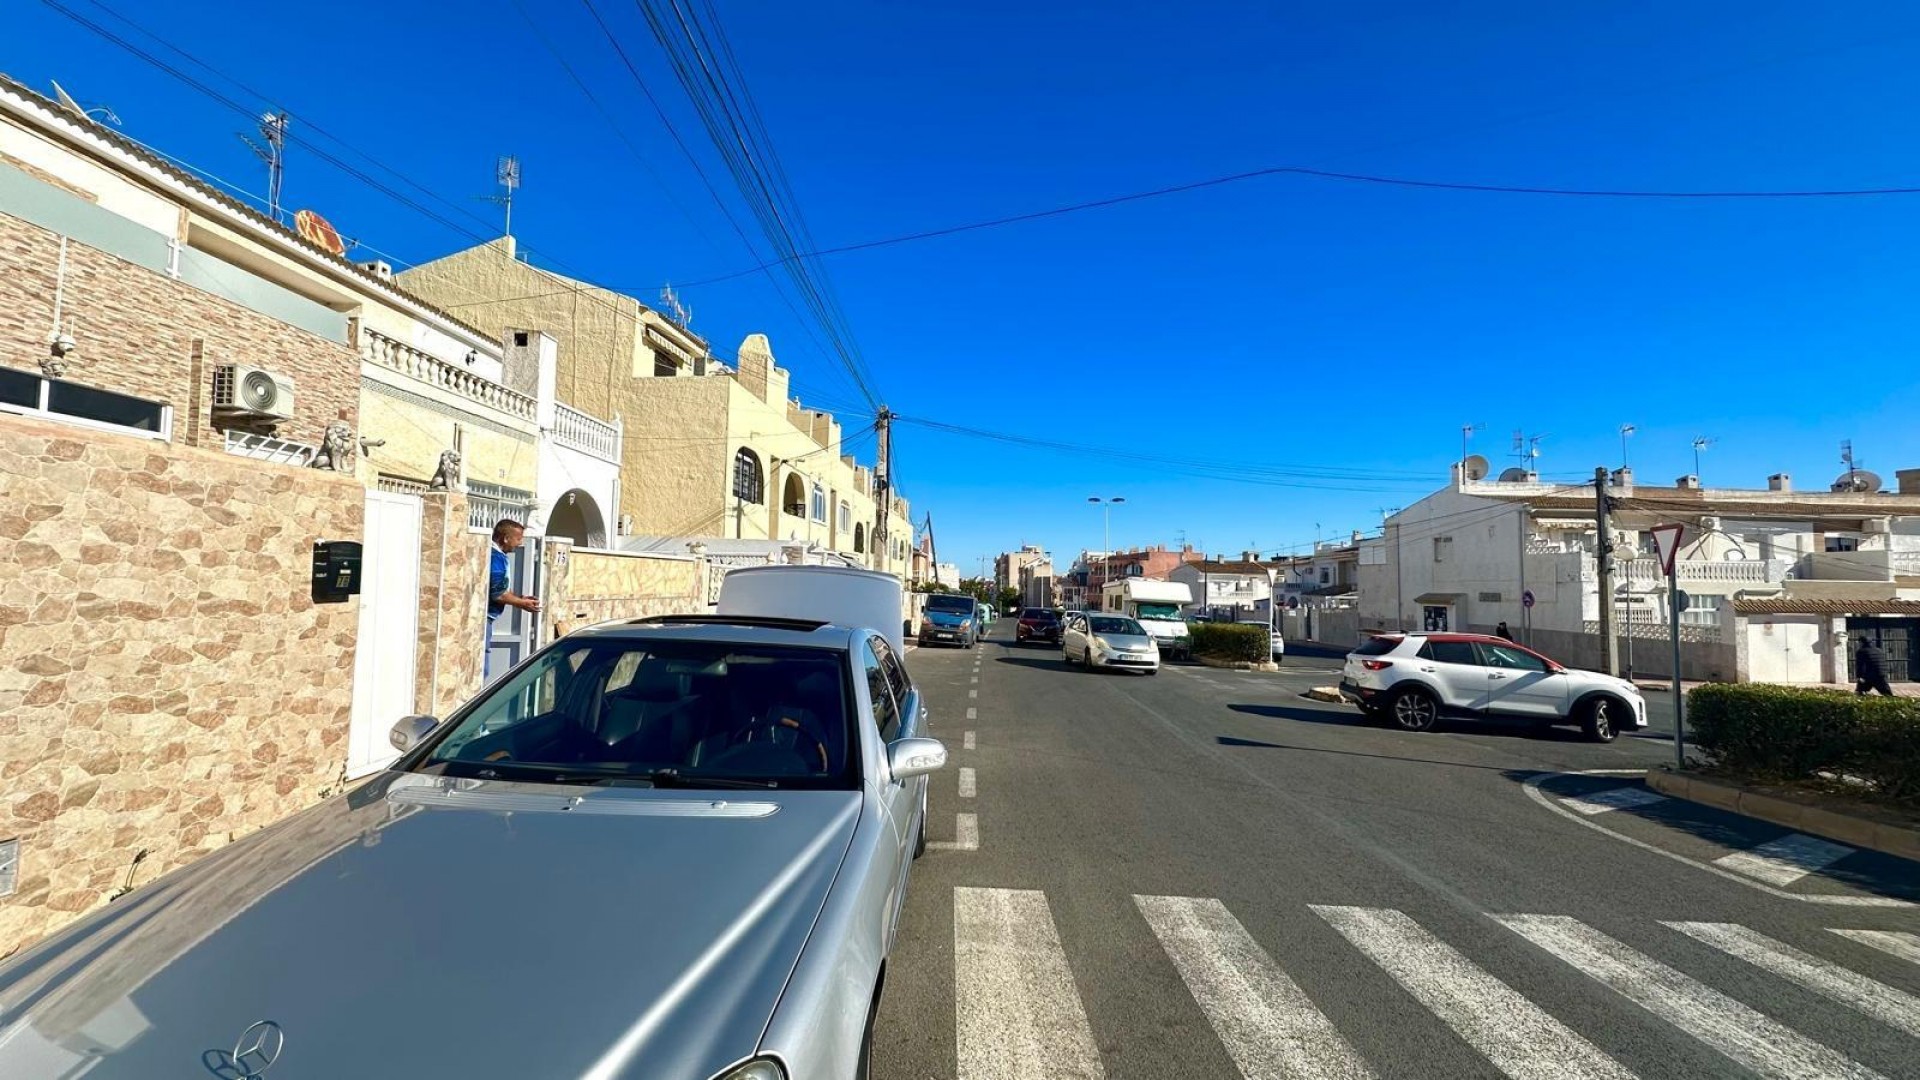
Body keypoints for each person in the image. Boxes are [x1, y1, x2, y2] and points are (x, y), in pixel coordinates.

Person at [485, 519, 541, 680]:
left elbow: (501, 587)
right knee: (483, 670)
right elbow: (498, 594)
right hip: (486, 619)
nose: (520, 543)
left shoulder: (498, 556)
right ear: (505, 538)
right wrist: (522, 603)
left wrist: (520, 598)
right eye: (518, 539)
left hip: (489, 618)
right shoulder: (496, 558)